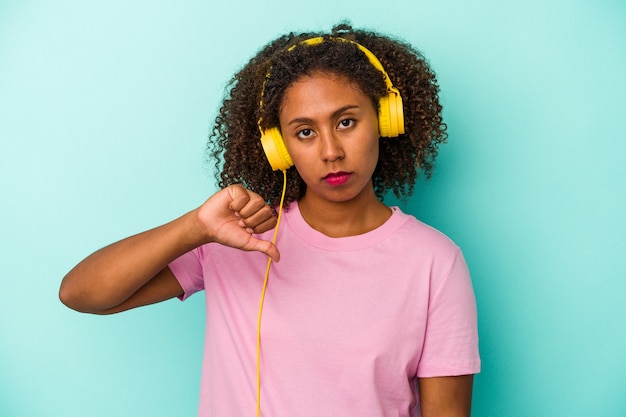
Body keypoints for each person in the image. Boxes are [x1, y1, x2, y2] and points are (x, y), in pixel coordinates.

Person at [60, 22, 480, 417]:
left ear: (386, 120)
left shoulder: (435, 262)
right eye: (305, 132)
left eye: (346, 122)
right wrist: (194, 228)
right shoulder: (236, 238)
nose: (330, 150)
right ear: (278, 147)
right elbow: (80, 294)